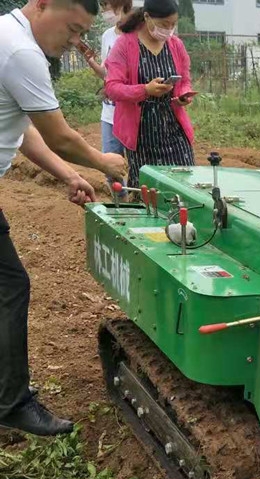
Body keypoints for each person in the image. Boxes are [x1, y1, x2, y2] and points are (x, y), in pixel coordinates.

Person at [0, 0, 125, 437]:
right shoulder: (22, 52)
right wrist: (102, 163)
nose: (73, 42)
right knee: (10, 287)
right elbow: (59, 135)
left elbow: (23, 129)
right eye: (72, 29)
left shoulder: (8, 37)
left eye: (81, 35)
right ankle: (12, 403)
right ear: (43, 4)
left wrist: (69, 175)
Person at [104, 0, 195, 189]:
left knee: (184, 186)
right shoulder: (124, 45)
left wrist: (184, 94)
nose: (168, 30)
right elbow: (112, 88)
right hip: (142, 135)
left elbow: (185, 79)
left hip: (174, 129)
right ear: (147, 17)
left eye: (172, 25)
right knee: (148, 191)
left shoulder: (176, 45)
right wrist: (145, 90)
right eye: (163, 25)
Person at [79, 0, 132, 199]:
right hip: (109, 112)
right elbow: (106, 74)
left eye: (107, 7)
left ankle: (140, 210)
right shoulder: (107, 35)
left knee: (137, 168)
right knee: (110, 169)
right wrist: (90, 61)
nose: (104, 12)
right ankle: (123, 207)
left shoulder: (138, 35)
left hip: (131, 112)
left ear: (121, 5)